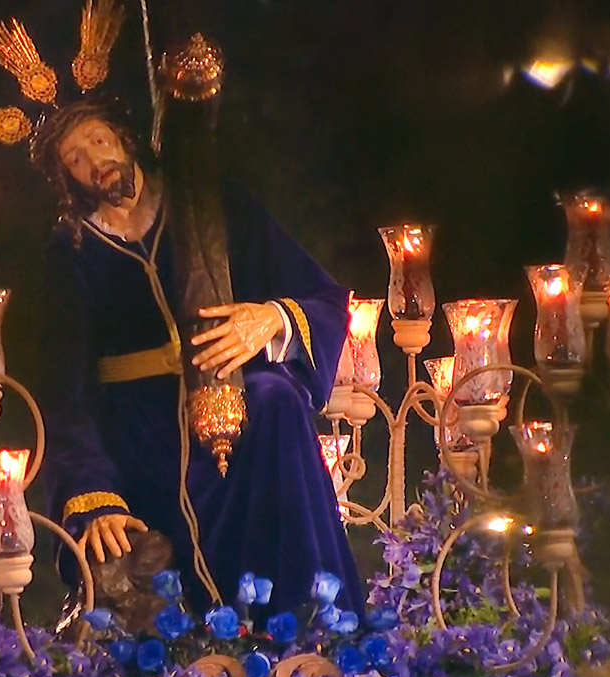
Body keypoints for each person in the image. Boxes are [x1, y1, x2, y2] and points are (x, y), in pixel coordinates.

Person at [34, 92, 365, 617]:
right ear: (66, 177)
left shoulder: (215, 209)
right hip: (140, 439)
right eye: (75, 157)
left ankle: (309, 614)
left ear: (125, 138)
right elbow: (62, 393)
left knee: (275, 399)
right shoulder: (69, 253)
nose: (95, 160)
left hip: (232, 404)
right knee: (137, 558)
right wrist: (92, 490)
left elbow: (321, 297)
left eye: (98, 140)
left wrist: (270, 319)